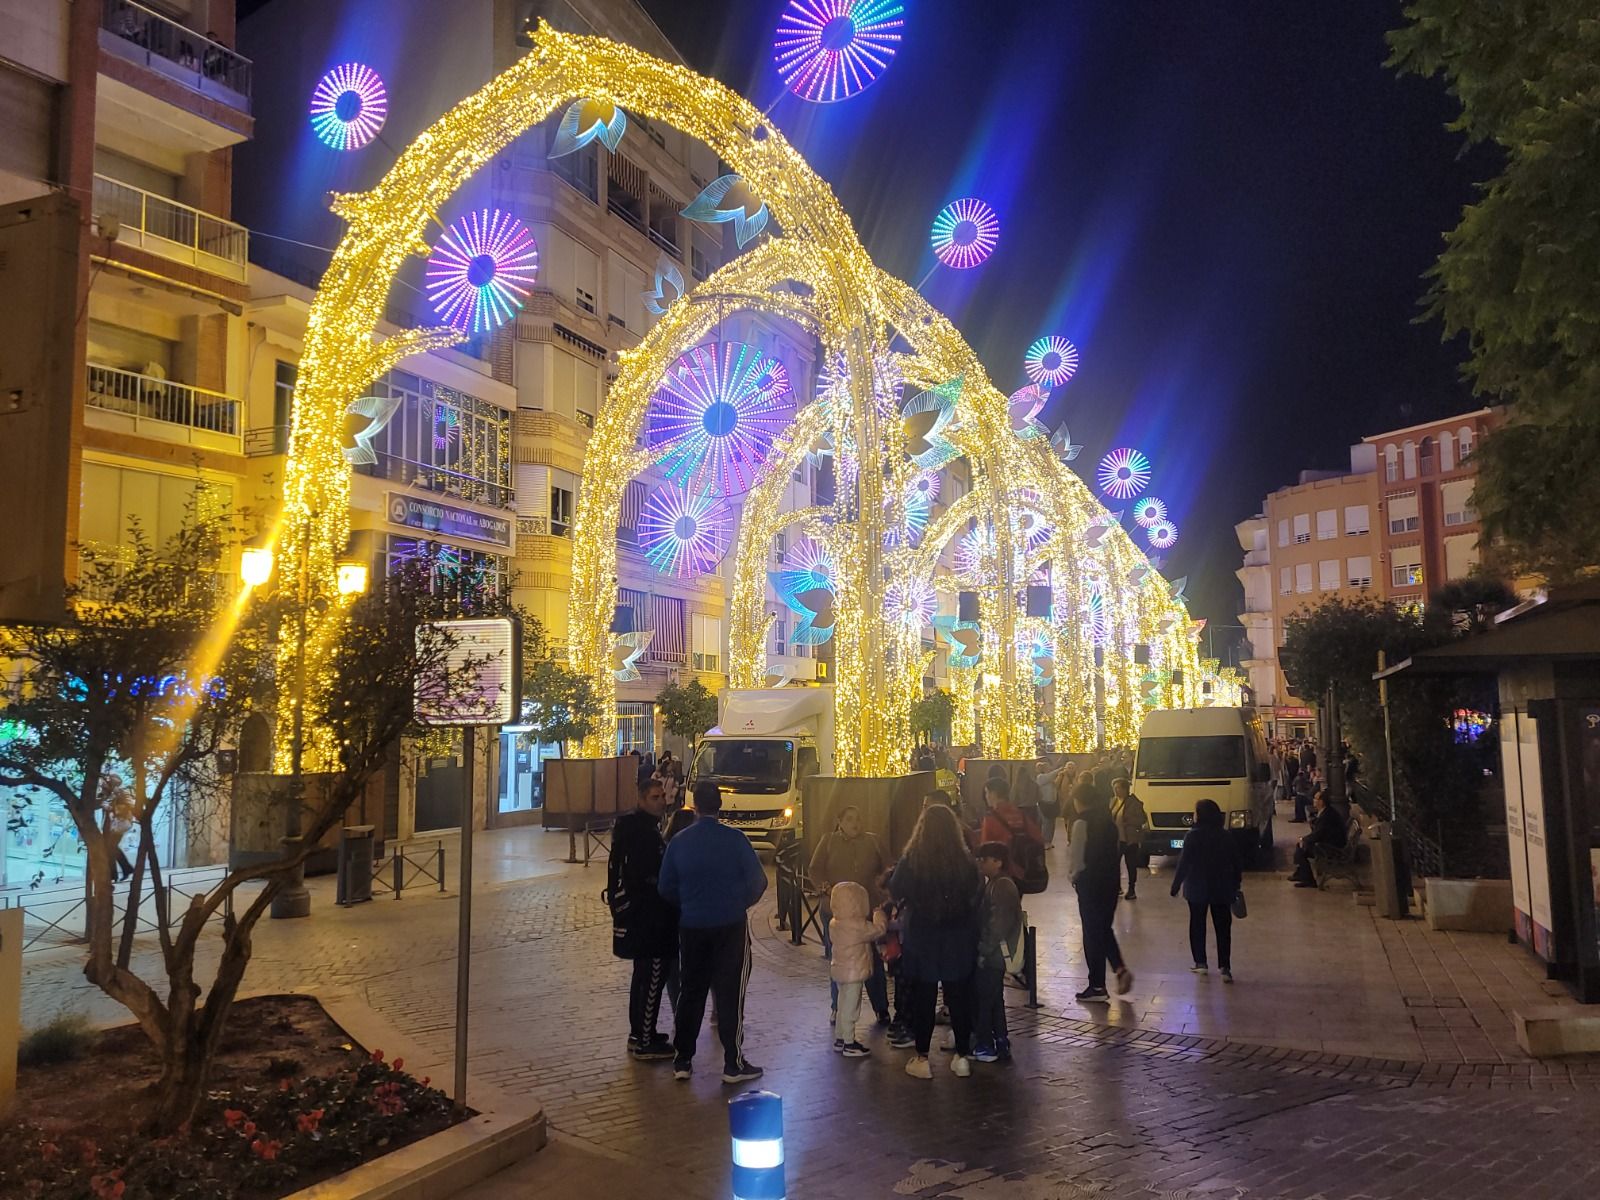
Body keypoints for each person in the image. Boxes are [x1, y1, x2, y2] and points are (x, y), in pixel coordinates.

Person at [659, 781, 768, 1083]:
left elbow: (665, 886)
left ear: (694, 805)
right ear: (720, 805)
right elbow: (758, 882)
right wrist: (737, 903)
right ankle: (733, 1062)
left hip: (692, 926)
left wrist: (689, 904)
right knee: (731, 992)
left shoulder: (679, 842)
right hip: (730, 926)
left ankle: (683, 1059)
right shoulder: (735, 840)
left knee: (690, 991)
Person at [888, 804, 982, 1080]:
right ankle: (962, 1056)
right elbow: (975, 890)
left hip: (924, 936)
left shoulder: (913, 859)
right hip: (958, 935)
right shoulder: (964, 861)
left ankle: (922, 1057)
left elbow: (896, 888)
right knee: (959, 996)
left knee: (924, 997)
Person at [608, 776, 679, 1060]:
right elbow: (647, 875)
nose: (661, 801)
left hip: (639, 916)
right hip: (650, 918)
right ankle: (645, 1040)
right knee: (652, 977)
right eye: (654, 797)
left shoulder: (633, 828)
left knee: (642, 976)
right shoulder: (643, 833)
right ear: (640, 799)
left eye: (662, 796)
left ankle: (639, 1032)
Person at [808, 806, 892, 1025]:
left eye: (858, 819)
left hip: (866, 911)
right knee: (839, 959)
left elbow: (889, 867)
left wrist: (881, 885)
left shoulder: (873, 841)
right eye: (850, 819)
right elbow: (815, 869)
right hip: (836, 912)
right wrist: (825, 888)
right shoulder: (828, 841)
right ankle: (838, 1007)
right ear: (840, 821)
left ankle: (881, 1007)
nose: (855, 823)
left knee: (872, 959)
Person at [1068, 783, 1132, 1003]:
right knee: (1103, 928)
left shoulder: (1080, 824)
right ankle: (1120, 968)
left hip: (1089, 884)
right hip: (1110, 883)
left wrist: (1073, 878)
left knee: (1092, 934)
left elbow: (1077, 859)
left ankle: (1096, 985)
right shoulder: (1108, 822)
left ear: (1079, 800)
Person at [1169, 799, 1242, 981]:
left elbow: (1184, 863)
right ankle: (1225, 967)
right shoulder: (1225, 836)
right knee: (1223, 927)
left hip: (1197, 887)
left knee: (1197, 924)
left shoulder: (1192, 836)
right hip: (1222, 887)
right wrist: (1236, 882)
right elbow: (1236, 862)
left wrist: (1176, 885)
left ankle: (1200, 962)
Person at [973, 841, 1021, 1063]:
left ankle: (985, 1045)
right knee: (994, 999)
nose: (980, 864)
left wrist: (984, 949)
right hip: (996, 953)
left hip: (995, 955)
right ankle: (1001, 1040)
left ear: (998, 862)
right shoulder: (996, 883)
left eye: (984, 860)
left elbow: (998, 924)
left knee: (985, 999)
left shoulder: (1001, 886)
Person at [827, 881, 886, 1058]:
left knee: (842, 1003)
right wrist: (879, 914)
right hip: (854, 971)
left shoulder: (834, 923)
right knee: (851, 1007)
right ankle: (849, 1042)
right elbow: (879, 930)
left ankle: (839, 1038)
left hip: (839, 969)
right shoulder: (858, 925)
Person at [1289, 790, 1348, 888]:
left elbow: (1318, 834)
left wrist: (1303, 839)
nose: (1314, 800)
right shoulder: (1327, 812)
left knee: (1302, 849)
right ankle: (1301, 873)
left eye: (1316, 798)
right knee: (1301, 846)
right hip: (1331, 842)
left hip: (1332, 848)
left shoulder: (1326, 815)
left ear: (1321, 802)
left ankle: (1308, 880)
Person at [1110, 777, 1147, 900]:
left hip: (1130, 839)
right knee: (1114, 864)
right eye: (1114, 788)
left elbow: (1142, 819)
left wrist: (1127, 822)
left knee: (1131, 864)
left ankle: (1131, 889)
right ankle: (1117, 887)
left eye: (1118, 788)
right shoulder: (1113, 801)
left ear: (1125, 789)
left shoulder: (1134, 803)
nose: (1115, 791)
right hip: (1117, 839)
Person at [1034, 758, 1060, 850]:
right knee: (1046, 823)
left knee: (1052, 823)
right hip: (1044, 803)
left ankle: (1049, 841)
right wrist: (1059, 769)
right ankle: (1044, 841)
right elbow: (1051, 776)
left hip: (1052, 803)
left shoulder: (1050, 778)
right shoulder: (1041, 777)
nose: (1050, 769)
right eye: (1048, 767)